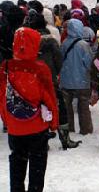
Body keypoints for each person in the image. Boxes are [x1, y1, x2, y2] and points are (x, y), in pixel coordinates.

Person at [0, 27, 59, 192]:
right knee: (37, 164)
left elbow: (2, 96)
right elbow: (49, 98)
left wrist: (6, 119)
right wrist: (54, 121)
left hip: (15, 124)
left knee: (17, 162)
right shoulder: (40, 68)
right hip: (37, 125)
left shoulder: (6, 67)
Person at [25, 12, 81, 150]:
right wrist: (55, 73)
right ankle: (65, 138)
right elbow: (59, 60)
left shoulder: (27, 40)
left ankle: (41, 139)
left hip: (33, 81)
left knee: (36, 109)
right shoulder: (50, 41)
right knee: (60, 108)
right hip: (50, 79)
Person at [60, 19, 94, 135]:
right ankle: (85, 129)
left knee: (67, 106)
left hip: (66, 80)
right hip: (82, 81)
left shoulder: (64, 43)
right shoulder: (84, 45)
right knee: (83, 106)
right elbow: (89, 63)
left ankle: (69, 128)